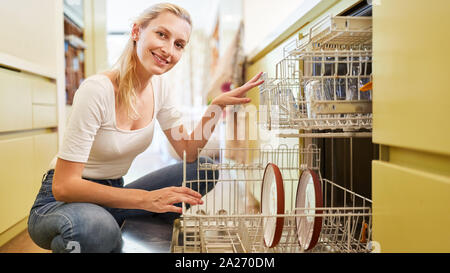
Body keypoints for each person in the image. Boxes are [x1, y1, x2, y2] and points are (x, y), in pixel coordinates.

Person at [27, 3, 264, 253]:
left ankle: (120, 227)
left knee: (204, 169)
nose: (168, 50)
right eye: (162, 34)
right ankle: (103, 230)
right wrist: (146, 199)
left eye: (179, 44)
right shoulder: (97, 90)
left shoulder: (160, 89)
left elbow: (189, 154)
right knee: (95, 228)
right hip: (60, 202)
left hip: (112, 193)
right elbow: (65, 186)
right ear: (137, 31)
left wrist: (214, 108)